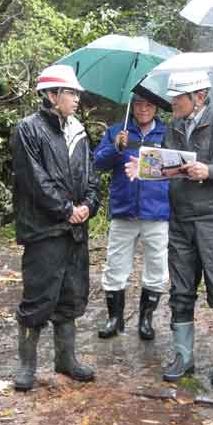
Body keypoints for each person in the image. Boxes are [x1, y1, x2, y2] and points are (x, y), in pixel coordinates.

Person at [130, 70, 213, 384]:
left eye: (178, 98)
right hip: (181, 220)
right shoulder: (174, 125)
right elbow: (172, 165)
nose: (172, 103)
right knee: (181, 293)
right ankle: (183, 358)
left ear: (198, 96)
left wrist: (210, 170)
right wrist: (145, 168)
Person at [11, 64, 101, 392]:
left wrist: (89, 205)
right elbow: (33, 179)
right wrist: (66, 210)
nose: (77, 98)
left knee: (71, 294)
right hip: (44, 229)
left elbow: (92, 176)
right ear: (51, 95)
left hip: (75, 230)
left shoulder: (78, 130)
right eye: (70, 93)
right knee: (38, 295)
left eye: (77, 93)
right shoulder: (28, 129)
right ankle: (26, 366)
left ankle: (66, 359)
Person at [93, 96, 170, 342]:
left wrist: (149, 164)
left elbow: (176, 167)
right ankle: (114, 318)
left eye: (148, 105)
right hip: (123, 210)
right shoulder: (118, 131)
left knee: (156, 267)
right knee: (115, 265)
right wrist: (116, 147)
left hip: (156, 211)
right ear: (132, 106)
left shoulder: (167, 134)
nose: (143, 109)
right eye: (138, 105)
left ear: (156, 107)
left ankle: (146, 320)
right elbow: (97, 162)